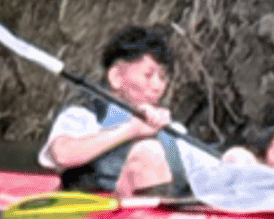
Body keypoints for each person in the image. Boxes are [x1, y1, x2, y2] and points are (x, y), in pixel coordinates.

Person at [37, 25, 190, 198]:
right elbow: (62, 155)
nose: (158, 86)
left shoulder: (170, 125)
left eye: (162, 77)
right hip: (90, 204)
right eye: (148, 75)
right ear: (116, 77)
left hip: (153, 201)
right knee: (148, 152)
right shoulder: (87, 111)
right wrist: (131, 130)